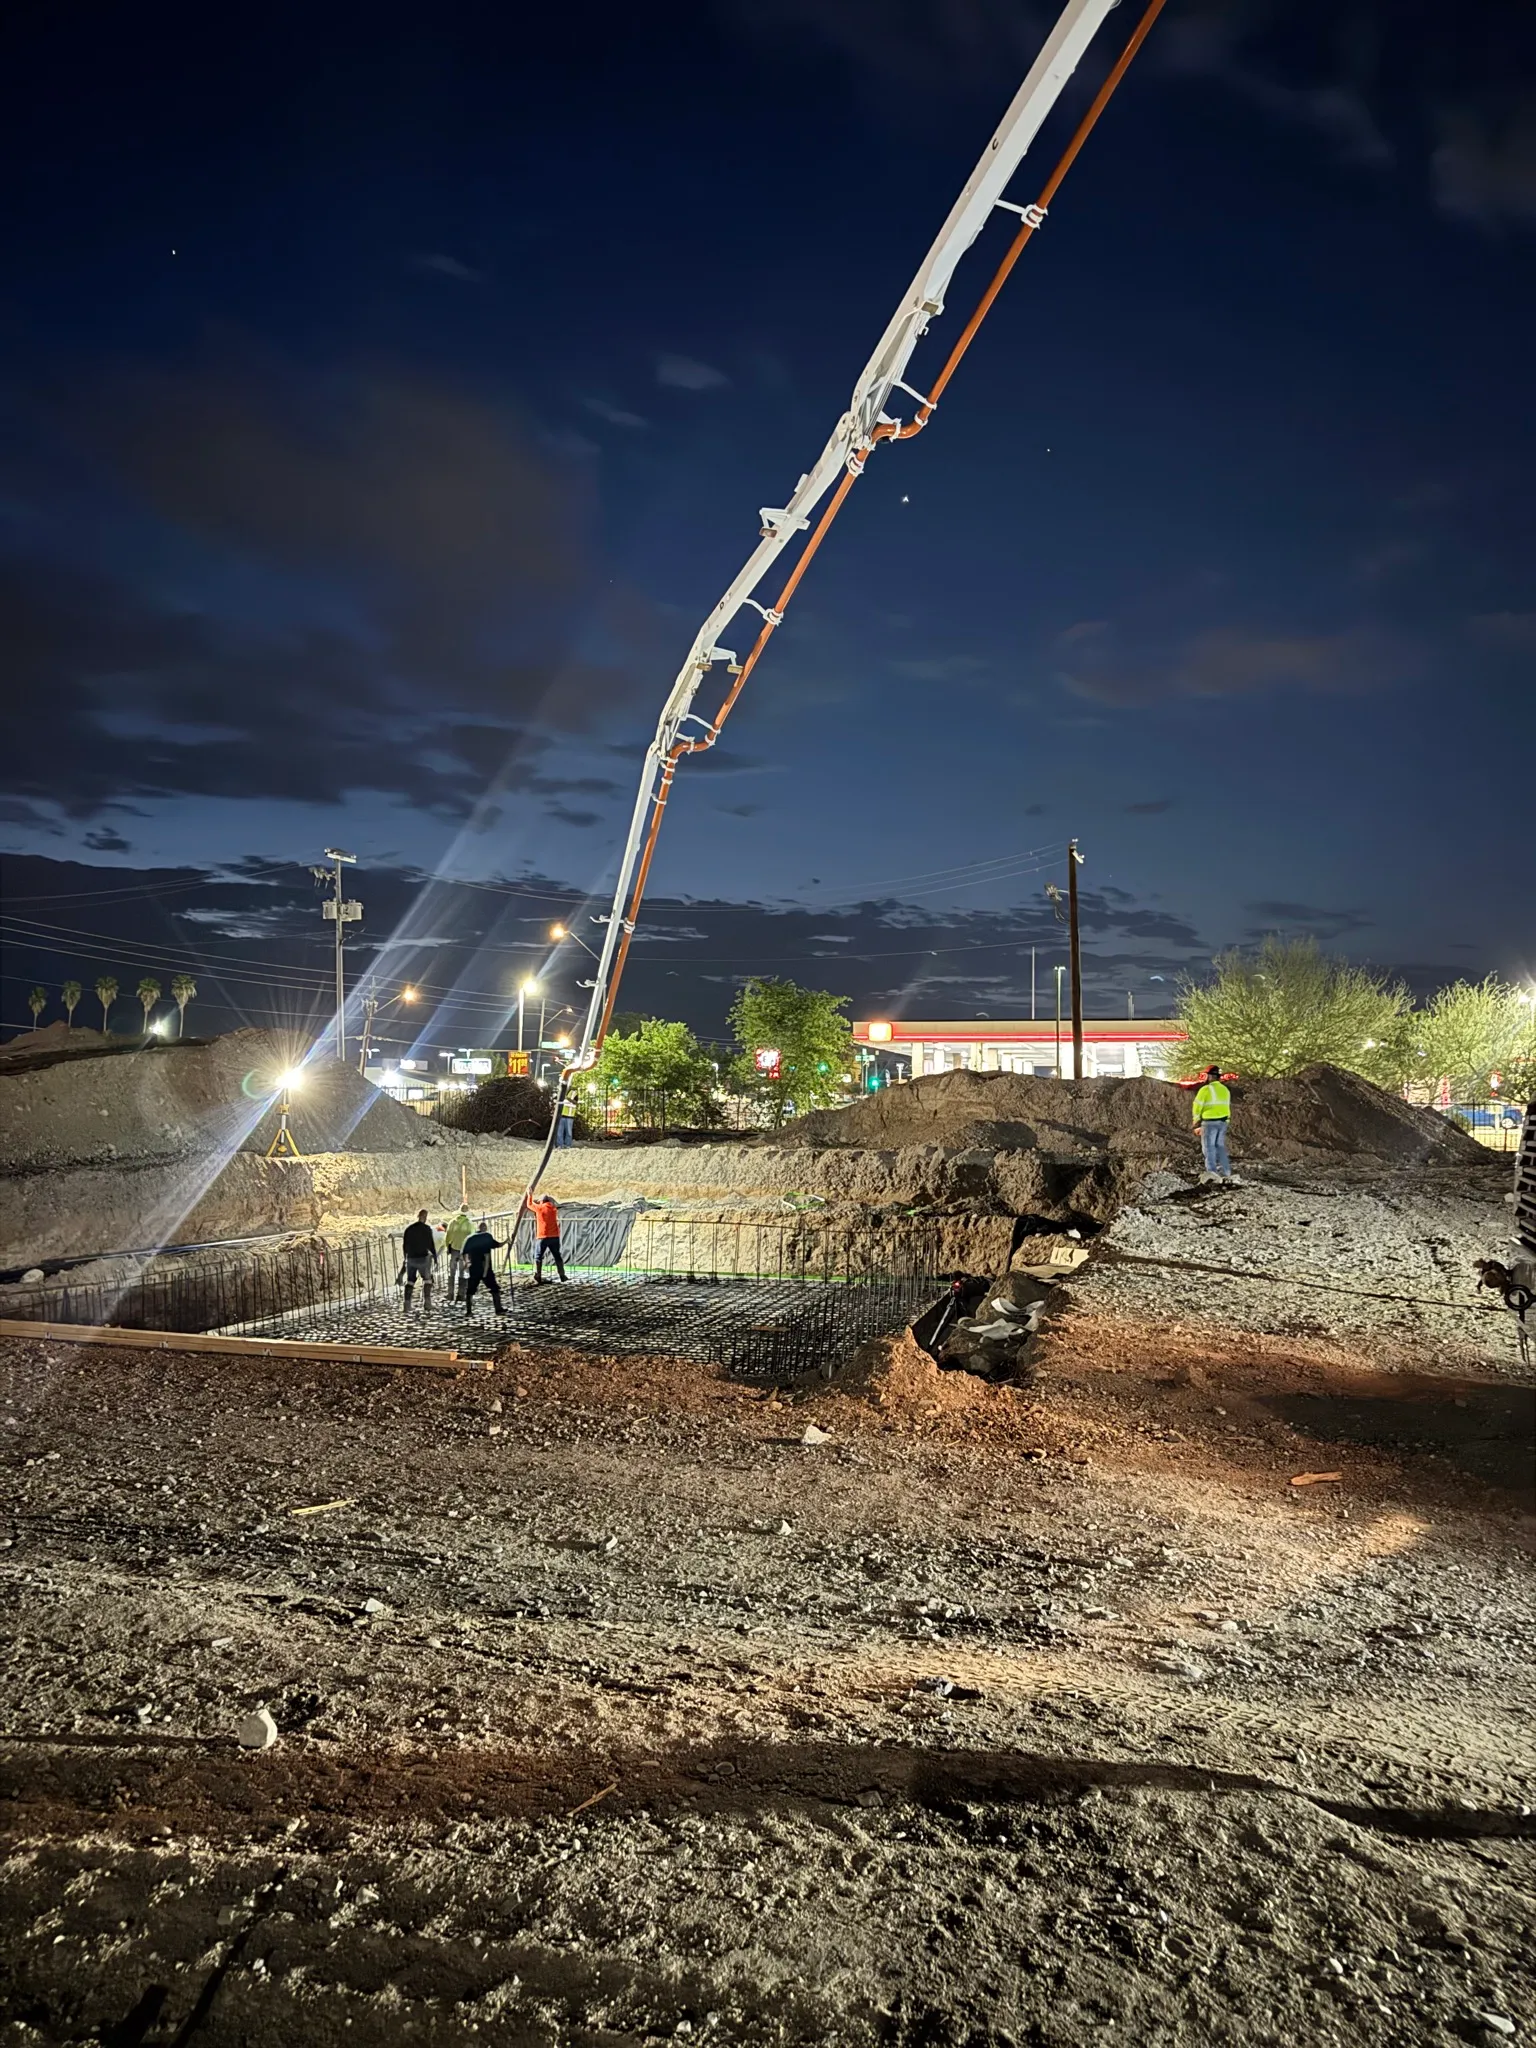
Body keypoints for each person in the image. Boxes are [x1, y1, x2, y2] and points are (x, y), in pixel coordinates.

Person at [1191, 1065, 1240, 1184]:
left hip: (1209, 1123)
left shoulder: (1206, 1090)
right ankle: (1226, 1172)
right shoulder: (1225, 1090)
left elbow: (1197, 1106)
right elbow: (1226, 1106)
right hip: (1223, 1122)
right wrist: (1227, 1120)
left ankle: (1212, 1174)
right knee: (1220, 1146)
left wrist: (1196, 1123)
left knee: (1209, 1148)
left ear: (1210, 1076)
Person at [461, 1220, 507, 1315]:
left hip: (474, 1267)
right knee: (494, 1288)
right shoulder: (487, 1236)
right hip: (485, 1267)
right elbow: (497, 1246)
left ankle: (468, 1311)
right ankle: (498, 1308)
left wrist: (467, 1263)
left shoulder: (470, 1238)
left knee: (470, 1289)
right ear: (485, 1228)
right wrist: (506, 1241)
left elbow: (464, 1252)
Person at [400, 1207, 438, 1310]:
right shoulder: (427, 1229)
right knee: (427, 1280)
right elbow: (430, 1244)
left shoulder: (409, 1229)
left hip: (411, 1258)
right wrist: (435, 1257)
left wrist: (405, 1257)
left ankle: (407, 1305)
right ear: (425, 1217)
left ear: (418, 1216)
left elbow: (405, 1245)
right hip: (423, 1258)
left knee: (410, 1281)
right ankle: (427, 1303)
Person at [527, 1189, 568, 1282]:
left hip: (542, 1236)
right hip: (554, 1236)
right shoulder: (553, 1209)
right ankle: (562, 1275)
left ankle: (538, 1275)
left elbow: (529, 1205)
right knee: (557, 1256)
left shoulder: (540, 1208)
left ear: (541, 1201)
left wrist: (530, 1195)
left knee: (538, 1256)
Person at [444, 1204, 474, 1300]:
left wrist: (447, 1247)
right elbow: (472, 1237)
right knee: (462, 1271)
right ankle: (461, 1294)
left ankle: (450, 1293)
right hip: (464, 1251)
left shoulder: (452, 1222)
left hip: (454, 1249)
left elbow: (447, 1236)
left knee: (452, 1271)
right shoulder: (469, 1223)